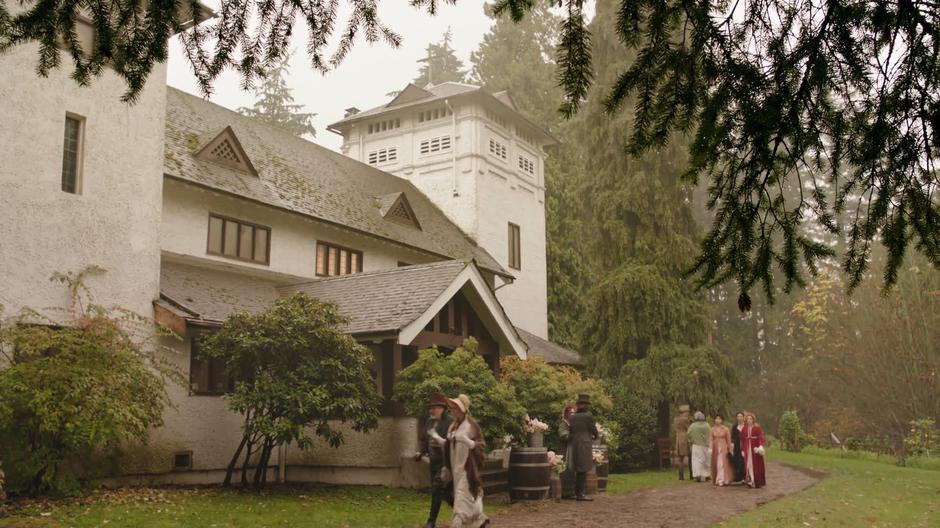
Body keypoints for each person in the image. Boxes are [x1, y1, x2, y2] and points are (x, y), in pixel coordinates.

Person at [445, 394, 489, 528]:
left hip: (467, 468)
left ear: (463, 410)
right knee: (467, 497)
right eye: (452, 408)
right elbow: (448, 446)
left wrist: (468, 442)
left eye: (456, 408)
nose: (453, 411)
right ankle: (479, 519)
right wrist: (446, 467)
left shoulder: (471, 425)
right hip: (455, 467)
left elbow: (481, 445)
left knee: (460, 497)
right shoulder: (452, 426)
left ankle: (457, 523)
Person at [417, 393, 453, 528]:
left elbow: (451, 444)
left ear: (443, 408)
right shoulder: (429, 422)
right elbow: (424, 440)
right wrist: (420, 452)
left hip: (446, 463)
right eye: (430, 408)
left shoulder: (450, 422)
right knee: (444, 493)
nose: (432, 410)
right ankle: (465, 513)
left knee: (438, 488)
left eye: (435, 408)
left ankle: (431, 521)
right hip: (434, 463)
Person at [568, 393, 598, 501]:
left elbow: (571, 431)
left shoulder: (572, 417)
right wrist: (596, 435)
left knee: (578, 468)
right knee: (583, 468)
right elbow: (593, 429)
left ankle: (577, 492)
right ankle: (581, 494)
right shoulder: (588, 416)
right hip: (585, 443)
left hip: (575, 444)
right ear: (585, 405)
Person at [741, 412, 766, 488]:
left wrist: (760, 446)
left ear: (753, 420)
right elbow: (742, 440)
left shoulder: (757, 428)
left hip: (755, 449)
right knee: (747, 464)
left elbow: (760, 438)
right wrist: (742, 449)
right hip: (747, 449)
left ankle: (756, 480)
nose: (749, 420)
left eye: (750, 419)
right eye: (748, 419)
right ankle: (749, 479)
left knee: (756, 464)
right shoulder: (744, 429)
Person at [557, 403, 577, 499]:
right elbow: (563, 435)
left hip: (572, 451)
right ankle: (565, 493)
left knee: (572, 471)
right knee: (566, 471)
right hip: (564, 452)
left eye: (574, 413)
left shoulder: (572, 424)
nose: (572, 415)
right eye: (570, 413)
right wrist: (571, 434)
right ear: (567, 414)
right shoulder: (563, 424)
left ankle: (572, 492)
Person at [709, 414, 734, 486]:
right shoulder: (712, 429)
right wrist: (710, 448)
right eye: (716, 419)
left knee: (722, 463)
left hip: (723, 447)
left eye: (719, 419)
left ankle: (722, 479)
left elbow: (729, 440)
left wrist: (730, 449)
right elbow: (710, 439)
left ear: (722, 420)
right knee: (716, 463)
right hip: (715, 447)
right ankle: (717, 478)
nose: (718, 420)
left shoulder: (725, 429)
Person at [688, 411, 711, 482]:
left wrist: (691, 440)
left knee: (696, 460)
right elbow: (710, 434)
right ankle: (707, 474)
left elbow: (689, 433)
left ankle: (698, 474)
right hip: (706, 445)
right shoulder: (707, 425)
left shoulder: (693, 426)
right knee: (706, 460)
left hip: (696, 445)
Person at [673, 404, 692, 480]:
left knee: (680, 458)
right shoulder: (685, 420)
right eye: (686, 412)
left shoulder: (676, 419)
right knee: (690, 456)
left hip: (678, 438)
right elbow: (689, 428)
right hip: (685, 438)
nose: (687, 413)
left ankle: (681, 476)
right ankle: (691, 474)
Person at [730, 411, 746, 483]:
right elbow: (732, 436)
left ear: (743, 417)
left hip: (744, 445)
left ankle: (744, 476)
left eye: (741, 416)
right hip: (736, 446)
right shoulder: (734, 426)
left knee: (743, 461)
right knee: (736, 460)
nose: (739, 418)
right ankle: (737, 476)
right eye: (738, 416)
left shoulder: (746, 426)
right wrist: (732, 443)